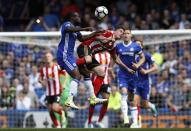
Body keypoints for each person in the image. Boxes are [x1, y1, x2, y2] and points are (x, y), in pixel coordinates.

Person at [56, 12, 104, 109]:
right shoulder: (67, 24)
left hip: (69, 56)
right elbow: (70, 29)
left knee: (86, 73)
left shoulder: (75, 29)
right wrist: (84, 28)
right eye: (77, 16)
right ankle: (69, 100)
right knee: (77, 76)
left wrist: (94, 33)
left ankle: (93, 97)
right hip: (64, 55)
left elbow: (82, 38)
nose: (79, 18)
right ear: (72, 17)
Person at [115, 26, 145, 127]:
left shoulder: (136, 46)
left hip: (133, 75)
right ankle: (126, 118)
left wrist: (138, 65)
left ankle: (135, 123)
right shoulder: (118, 46)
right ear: (122, 35)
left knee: (132, 100)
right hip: (123, 74)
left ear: (131, 35)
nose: (126, 35)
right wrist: (111, 68)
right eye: (124, 33)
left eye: (128, 33)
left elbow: (142, 57)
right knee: (123, 92)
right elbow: (116, 59)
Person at [130, 40, 158, 128]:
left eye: (139, 44)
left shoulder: (147, 55)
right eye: (136, 44)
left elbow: (156, 67)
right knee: (134, 102)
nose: (137, 46)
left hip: (145, 83)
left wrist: (146, 71)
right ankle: (137, 123)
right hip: (135, 83)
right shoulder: (131, 56)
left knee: (144, 104)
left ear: (142, 46)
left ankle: (151, 105)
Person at [39, 51, 66, 128]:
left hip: (57, 91)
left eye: (49, 56)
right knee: (50, 110)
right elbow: (40, 78)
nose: (47, 58)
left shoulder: (56, 67)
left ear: (52, 58)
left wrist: (63, 84)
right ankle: (57, 125)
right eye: (46, 57)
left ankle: (62, 112)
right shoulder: (43, 69)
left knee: (54, 108)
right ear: (44, 59)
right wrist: (42, 82)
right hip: (48, 92)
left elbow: (65, 73)